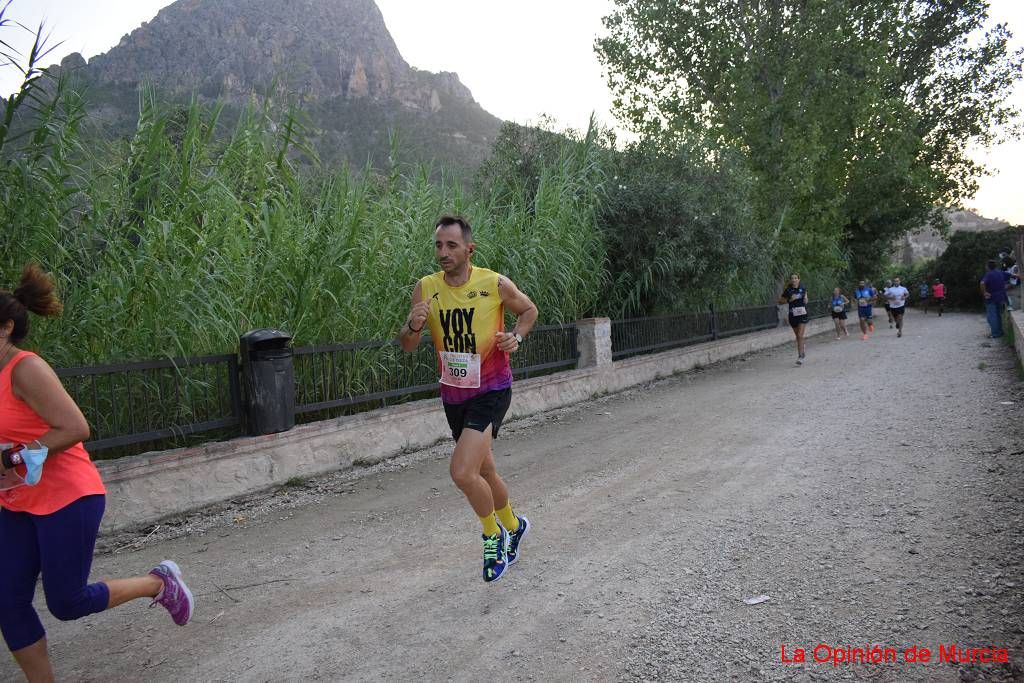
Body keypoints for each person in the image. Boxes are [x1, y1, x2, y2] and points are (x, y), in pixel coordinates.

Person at [0, 264, 194, 682]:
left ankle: (158, 583)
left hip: (68, 497)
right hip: (16, 502)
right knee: (7, 600)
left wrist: (12, 460)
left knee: (66, 602)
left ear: (5, 329)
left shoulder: (25, 370)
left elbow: (75, 428)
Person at [399, 216, 538, 583]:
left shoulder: (493, 283)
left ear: (469, 250)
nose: (443, 253)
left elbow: (529, 310)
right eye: (438, 246)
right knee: (485, 471)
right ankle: (515, 524)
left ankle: (494, 537)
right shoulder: (426, 288)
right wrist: (413, 325)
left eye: (451, 246)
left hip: (492, 390)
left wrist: (516, 337)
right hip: (454, 394)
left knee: (462, 472)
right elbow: (408, 346)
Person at [778, 273, 809, 365]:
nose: (794, 279)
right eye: (792, 278)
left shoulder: (803, 288)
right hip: (793, 315)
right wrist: (789, 300)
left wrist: (806, 300)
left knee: (800, 335)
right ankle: (802, 349)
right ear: (791, 280)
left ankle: (800, 356)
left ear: (799, 279)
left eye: (796, 278)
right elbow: (780, 301)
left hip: (802, 314)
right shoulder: (788, 290)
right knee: (798, 336)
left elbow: (806, 298)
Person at [980, 259, 1009, 338]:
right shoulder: (1000, 272)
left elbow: (982, 283)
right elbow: (1012, 275)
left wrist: (985, 293)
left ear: (988, 267)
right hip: (1001, 297)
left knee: (992, 316)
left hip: (991, 298)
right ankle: (999, 332)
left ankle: (995, 334)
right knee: (998, 315)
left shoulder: (989, 274)